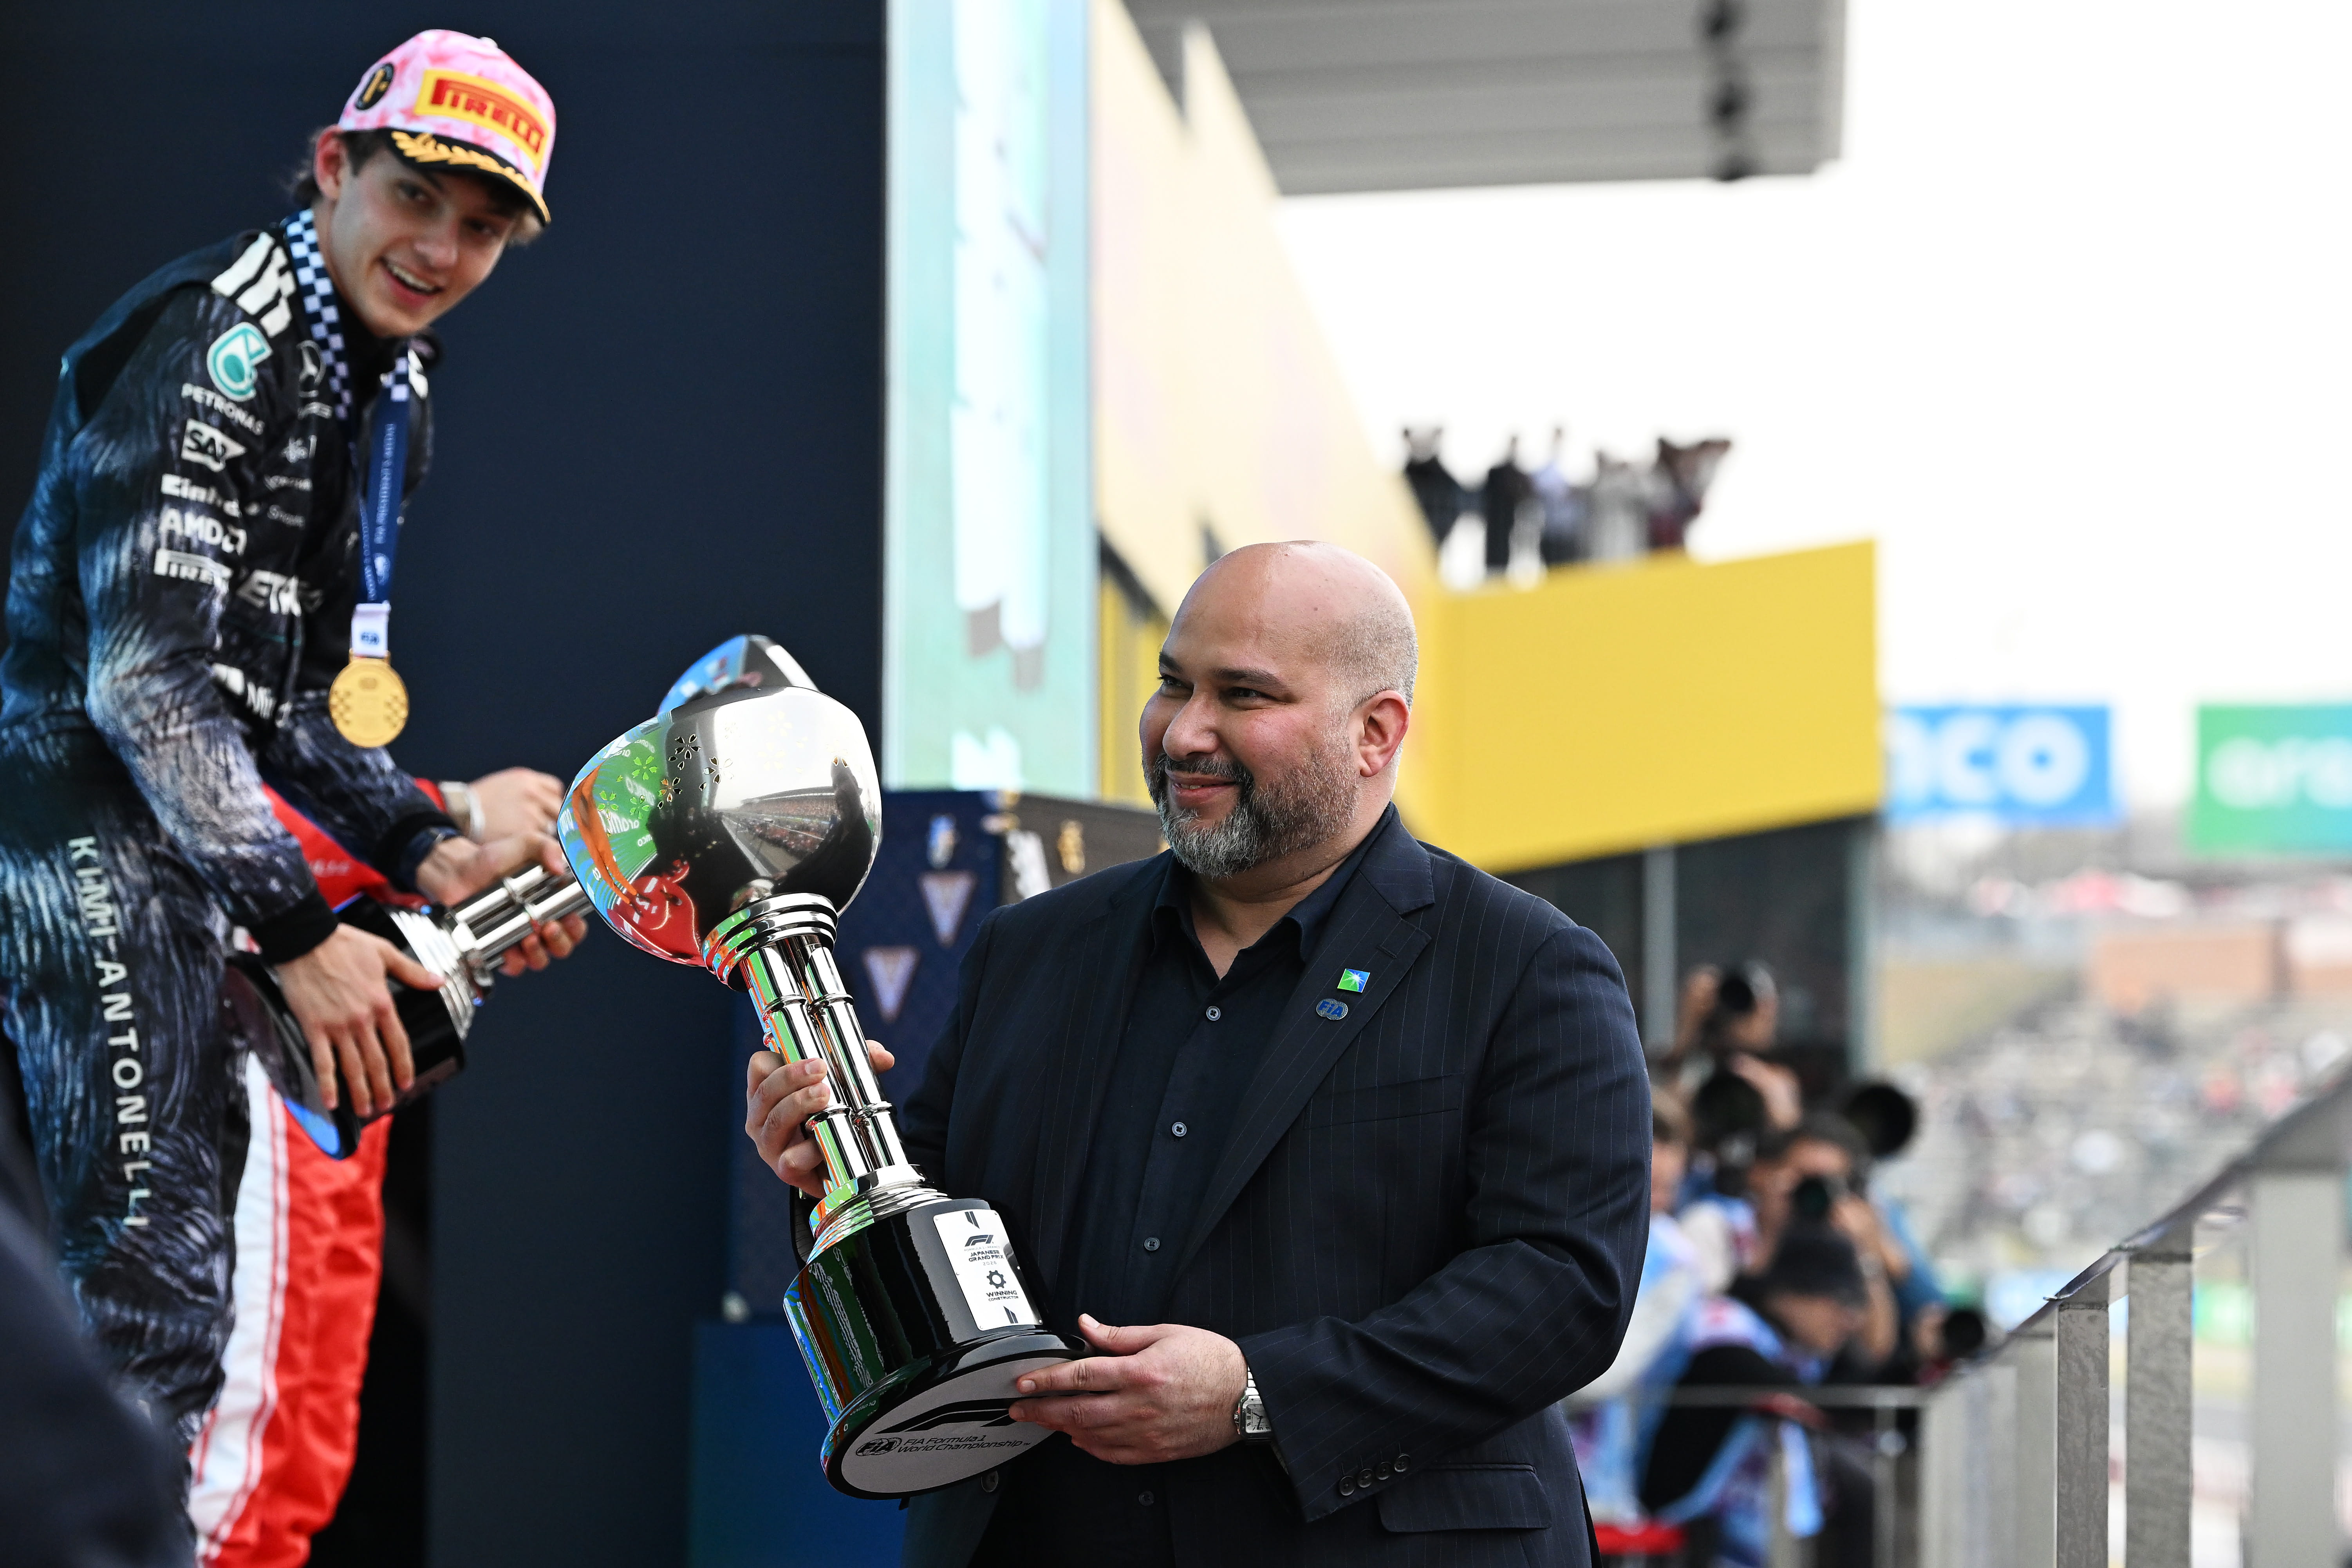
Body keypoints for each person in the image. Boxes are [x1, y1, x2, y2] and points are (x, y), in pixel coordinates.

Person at [746, 540, 1652, 1566]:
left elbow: (1562, 1290)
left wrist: (1257, 1393)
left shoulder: (1523, 966)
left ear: (1375, 732)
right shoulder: (1029, 949)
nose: (1183, 731)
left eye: (1243, 694)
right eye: (1173, 682)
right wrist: (831, 1175)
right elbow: (935, 1231)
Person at [0, 27, 580, 1497]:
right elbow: (145, 685)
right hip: (74, 844)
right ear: (334, 166)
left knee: (169, 1333)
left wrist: (429, 851)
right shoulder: (219, 337)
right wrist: (303, 932)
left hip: (173, 859)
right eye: (415, 196)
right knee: (144, 1321)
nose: (439, 248)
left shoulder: (388, 386)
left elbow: (296, 705)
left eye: (481, 226)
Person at [189, 768, 564, 1564]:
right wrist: (448, 813)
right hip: (238, 1016)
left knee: (295, 1462)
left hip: (330, 1040)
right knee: (225, 1470)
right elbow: (169, 789)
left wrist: (441, 865)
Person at [1640, 1226, 1877, 1568]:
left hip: (1717, 1526)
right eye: (1839, 1302)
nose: (1849, 1320)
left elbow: (1863, 1388)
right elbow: (1829, 1401)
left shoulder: (1793, 1347)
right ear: (1789, 1295)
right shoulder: (1727, 1326)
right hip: (1671, 1514)